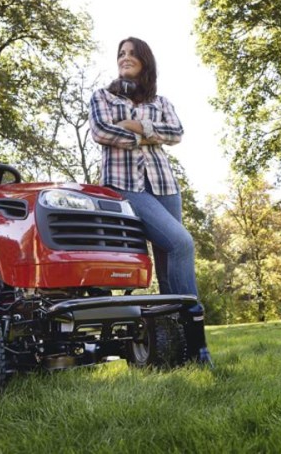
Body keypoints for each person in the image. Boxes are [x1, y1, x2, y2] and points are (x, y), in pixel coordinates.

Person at [89, 36, 212, 366]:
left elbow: (176, 133)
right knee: (181, 243)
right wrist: (146, 135)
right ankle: (199, 350)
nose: (125, 58)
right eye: (121, 54)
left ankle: (177, 353)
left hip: (165, 186)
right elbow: (101, 132)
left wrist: (135, 125)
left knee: (170, 267)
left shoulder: (160, 100)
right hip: (125, 186)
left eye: (132, 54)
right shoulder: (103, 96)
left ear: (145, 61)